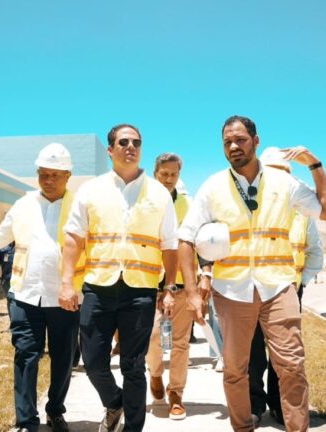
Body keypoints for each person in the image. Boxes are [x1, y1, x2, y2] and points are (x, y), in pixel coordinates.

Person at [177, 115, 326, 432]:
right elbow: (185, 238)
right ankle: (242, 427)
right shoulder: (212, 187)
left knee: (291, 365)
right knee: (236, 370)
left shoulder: (283, 183)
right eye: (227, 142)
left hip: (278, 287)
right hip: (232, 291)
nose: (234, 146)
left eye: (240, 139)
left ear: (256, 141)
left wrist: (315, 164)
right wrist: (193, 291)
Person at [59, 124, 179, 432]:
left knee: (133, 367)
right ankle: (114, 403)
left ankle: (132, 428)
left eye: (136, 142)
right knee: (94, 361)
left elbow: (170, 244)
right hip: (98, 288)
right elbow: (74, 238)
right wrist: (66, 281)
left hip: (139, 291)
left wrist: (169, 288)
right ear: (110, 150)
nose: (131, 146)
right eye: (123, 142)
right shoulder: (91, 190)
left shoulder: (159, 194)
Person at [0, 143, 85, 432]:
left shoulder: (81, 206)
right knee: (25, 355)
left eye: (55, 174)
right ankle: (26, 420)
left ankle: (55, 410)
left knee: (63, 359)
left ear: (68, 175)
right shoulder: (23, 204)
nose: (48, 179)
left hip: (65, 296)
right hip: (25, 293)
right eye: (43, 173)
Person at [248, 147, 324, 426]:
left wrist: (299, 283)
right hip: (253, 289)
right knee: (253, 353)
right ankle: (254, 406)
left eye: (284, 173)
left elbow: (315, 252)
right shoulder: (252, 209)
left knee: (284, 356)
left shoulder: (302, 213)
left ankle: (280, 407)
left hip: (288, 290)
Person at [144, 153, 193, 420]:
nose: (169, 179)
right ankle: (155, 373)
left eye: (174, 174)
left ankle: (176, 394)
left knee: (181, 343)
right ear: (155, 174)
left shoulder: (188, 204)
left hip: (182, 284)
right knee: (153, 337)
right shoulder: (144, 201)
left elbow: (196, 242)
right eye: (164, 174)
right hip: (150, 283)